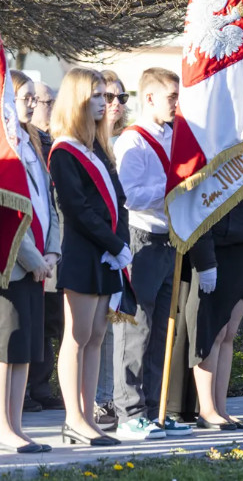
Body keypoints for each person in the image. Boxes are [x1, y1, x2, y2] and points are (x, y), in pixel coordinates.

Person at [111, 68, 191, 440]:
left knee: (162, 329)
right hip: (142, 236)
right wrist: (170, 187)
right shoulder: (133, 141)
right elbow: (128, 195)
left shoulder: (176, 137)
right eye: (171, 96)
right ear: (150, 98)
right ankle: (129, 411)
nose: (177, 103)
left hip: (169, 238)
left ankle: (155, 408)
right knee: (135, 327)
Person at [49, 68, 126, 446]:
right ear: (78, 99)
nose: (105, 103)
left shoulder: (98, 148)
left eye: (106, 96)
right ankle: (73, 418)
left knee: (96, 335)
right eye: (97, 95)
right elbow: (77, 208)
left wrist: (120, 243)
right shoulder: (64, 151)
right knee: (77, 337)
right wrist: (114, 244)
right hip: (82, 252)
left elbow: (118, 202)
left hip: (106, 254)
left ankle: (89, 415)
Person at [0, 71, 59, 453]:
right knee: (8, 350)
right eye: (25, 98)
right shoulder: (5, 147)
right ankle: (5, 427)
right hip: (15, 262)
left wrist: (52, 250)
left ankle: (17, 425)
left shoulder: (31, 143)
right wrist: (34, 257)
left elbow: (47, 203)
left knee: (25, 350)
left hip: (39, 262)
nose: (33, 104)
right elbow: (7, 210)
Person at [185, 194, 243, 430]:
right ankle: (207, 409)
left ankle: (221, 408)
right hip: (219, 250)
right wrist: (205, 259)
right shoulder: (216, 159)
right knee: (213, 333)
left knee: (228, 334)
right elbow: (199, 209)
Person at [93, 69, 129, 430]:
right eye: (107, 97)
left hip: (127, 242)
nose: (115, 104)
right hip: (100, 244)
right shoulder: (86, 143)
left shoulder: (127, 138)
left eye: (121, 97)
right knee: (98, 330)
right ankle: (98, 399)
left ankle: (114, 396)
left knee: (120, 326)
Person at [24, 80, 63, 414]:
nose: (50, 107)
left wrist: (53, 249)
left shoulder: (55, 141)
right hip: (28, 249)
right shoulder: (24, 143)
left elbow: (52, 202)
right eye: (45, 102)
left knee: (49, 322)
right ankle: (25, 390)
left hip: (52, 246)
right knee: (29, 322)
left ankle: (40, 386)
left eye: (52, 101)